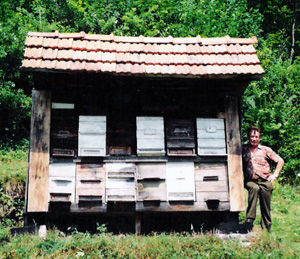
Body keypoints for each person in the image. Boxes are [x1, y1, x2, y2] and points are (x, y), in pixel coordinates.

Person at [242, 126, 284, 231]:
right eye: (251, 136)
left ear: (259, 138)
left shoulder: (265, 150)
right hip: (250, 181)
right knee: (254, 189)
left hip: (265, 181)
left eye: (256, 137)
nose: (254, 139)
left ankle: (266, 228)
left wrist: (275, 175)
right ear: (248, 137)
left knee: (266, 204)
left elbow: (280, 161)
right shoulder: (243, 150)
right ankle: (249, 220)